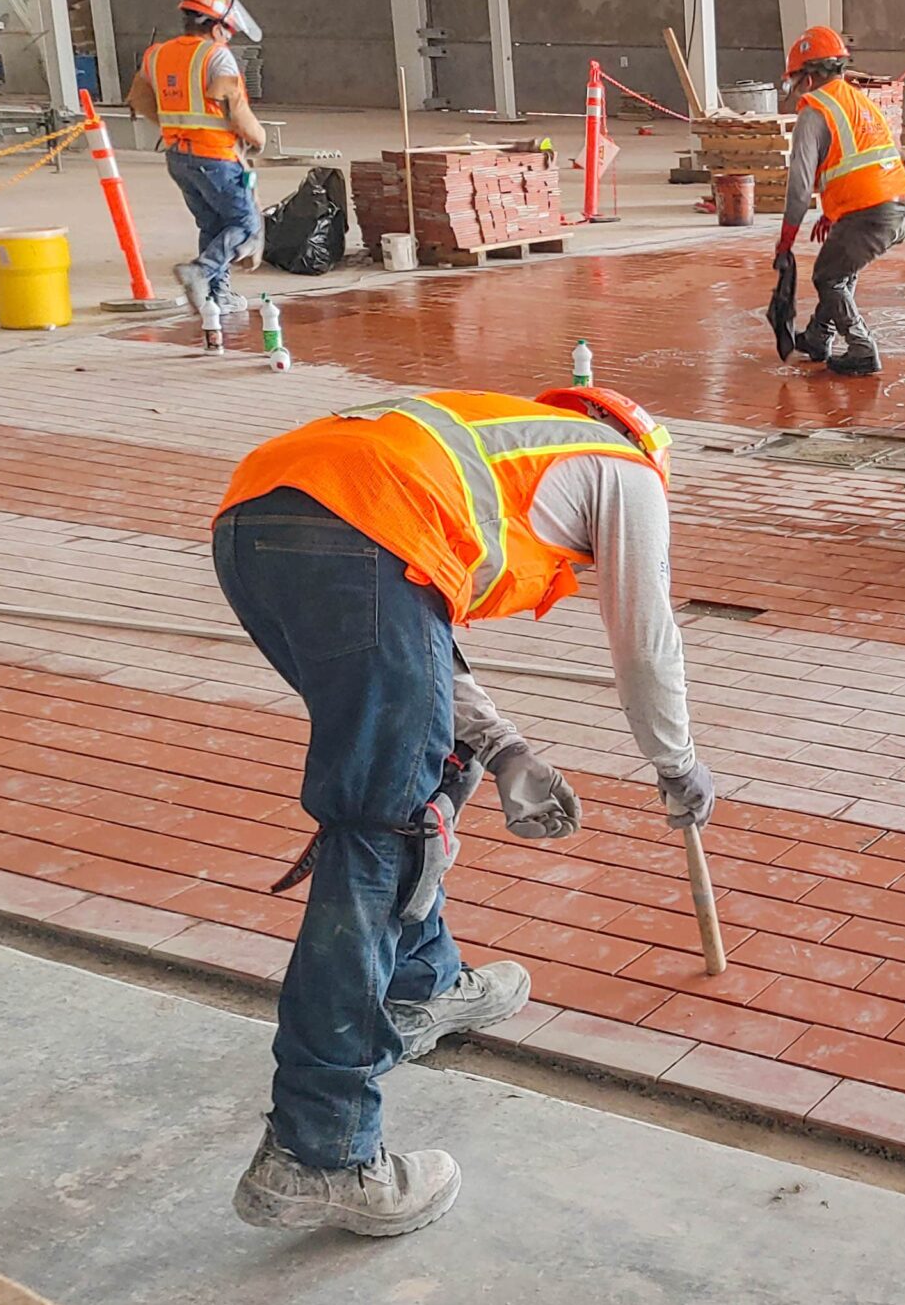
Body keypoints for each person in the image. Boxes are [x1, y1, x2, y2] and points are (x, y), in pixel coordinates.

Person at [211, 384, 719, 1237]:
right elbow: (645, 640)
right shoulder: (628, 473)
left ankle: (423, 987)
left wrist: (507, 747)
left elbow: (419, 638)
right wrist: (677, 763)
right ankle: (318, 1150)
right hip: (346, 541)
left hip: (256, 526)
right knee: (380, 835)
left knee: (429, 762)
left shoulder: (482, 449)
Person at [767, 24, 905, 378]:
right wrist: (837, 213)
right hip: (903, 204)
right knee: (840, 268)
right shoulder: (856, 100)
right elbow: (861, 161)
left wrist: (786, 242)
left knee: (828, 277)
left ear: (805, 77)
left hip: (875, 212)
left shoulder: (814, 111)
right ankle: (819, 338)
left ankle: (862, 348)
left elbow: (799, 190)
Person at [128, 0, 268, 317]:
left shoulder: (157, 54)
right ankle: (201, 271)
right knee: (246, 225)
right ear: (217, 25)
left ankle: (216, 296)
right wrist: (257, 136)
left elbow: (139, 97)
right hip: (216, 157)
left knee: (213, 224)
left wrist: (174, 125)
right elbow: (230, 101)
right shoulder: (215, 55)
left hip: (177, 156)